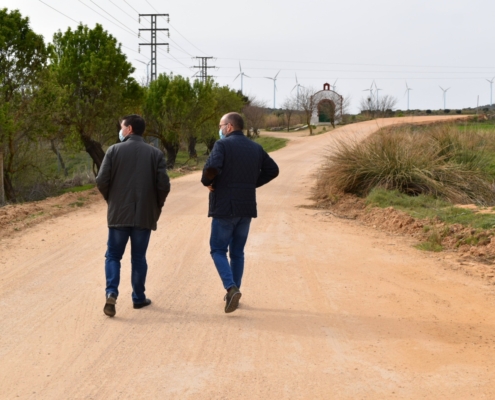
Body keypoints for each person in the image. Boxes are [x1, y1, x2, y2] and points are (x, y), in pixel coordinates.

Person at [201, 112, 279, 313]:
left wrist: (208, 182)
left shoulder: (223, 145)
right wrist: (250, 184)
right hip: (246, 208)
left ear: (228, 127)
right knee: (237, 252)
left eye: (220, 125)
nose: (219, 129)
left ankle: (231, 287)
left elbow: (212, 167)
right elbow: (273, 170)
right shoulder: (256, 147)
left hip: (225, 207)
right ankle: (234, 293)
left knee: (218, 249)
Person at [96, 114, 170, 317]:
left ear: (129, 129)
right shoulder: (156, 154)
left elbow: (101, 180)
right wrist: (156, 206)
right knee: (138, 257)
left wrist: (112, 200)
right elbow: (164, 185)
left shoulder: (113, 150)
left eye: (122, 127)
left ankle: (111, 293)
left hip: (119, 213)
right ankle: (138, 298)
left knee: (113, 256)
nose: (120, 130)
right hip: (144, 215)